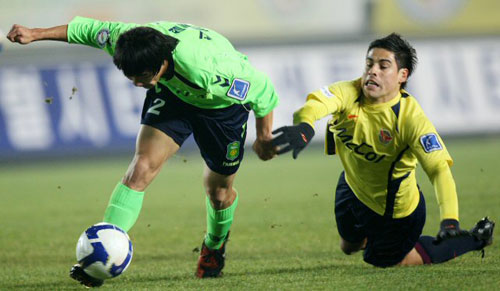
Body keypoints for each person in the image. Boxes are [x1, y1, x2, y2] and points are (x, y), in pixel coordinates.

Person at [7, 16, 278, 286]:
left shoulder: (211, 72)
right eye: (131, 77)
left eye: (143, 77)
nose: (137, 83)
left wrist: (264, 136)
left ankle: (214, 247)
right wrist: (35, 33)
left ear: (162, 63)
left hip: (221, 111)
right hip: (172, 95)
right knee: (141, 168)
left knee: (219, 193)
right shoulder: (129, 39)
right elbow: (85, 30)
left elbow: (263, 90)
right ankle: (103, 254)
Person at [272, 33, 494, 267]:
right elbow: (315, 105)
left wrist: (450, 220)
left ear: (402, 75)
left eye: (383, 66)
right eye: (369, 64)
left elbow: (438, 170)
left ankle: (476, 239)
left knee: (387, 261)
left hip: (395, 211)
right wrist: (305, 126)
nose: (372, 71)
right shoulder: (350, 91)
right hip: (351, 186)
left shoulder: (410, 119)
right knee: (348, 247)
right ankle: (373, 237)